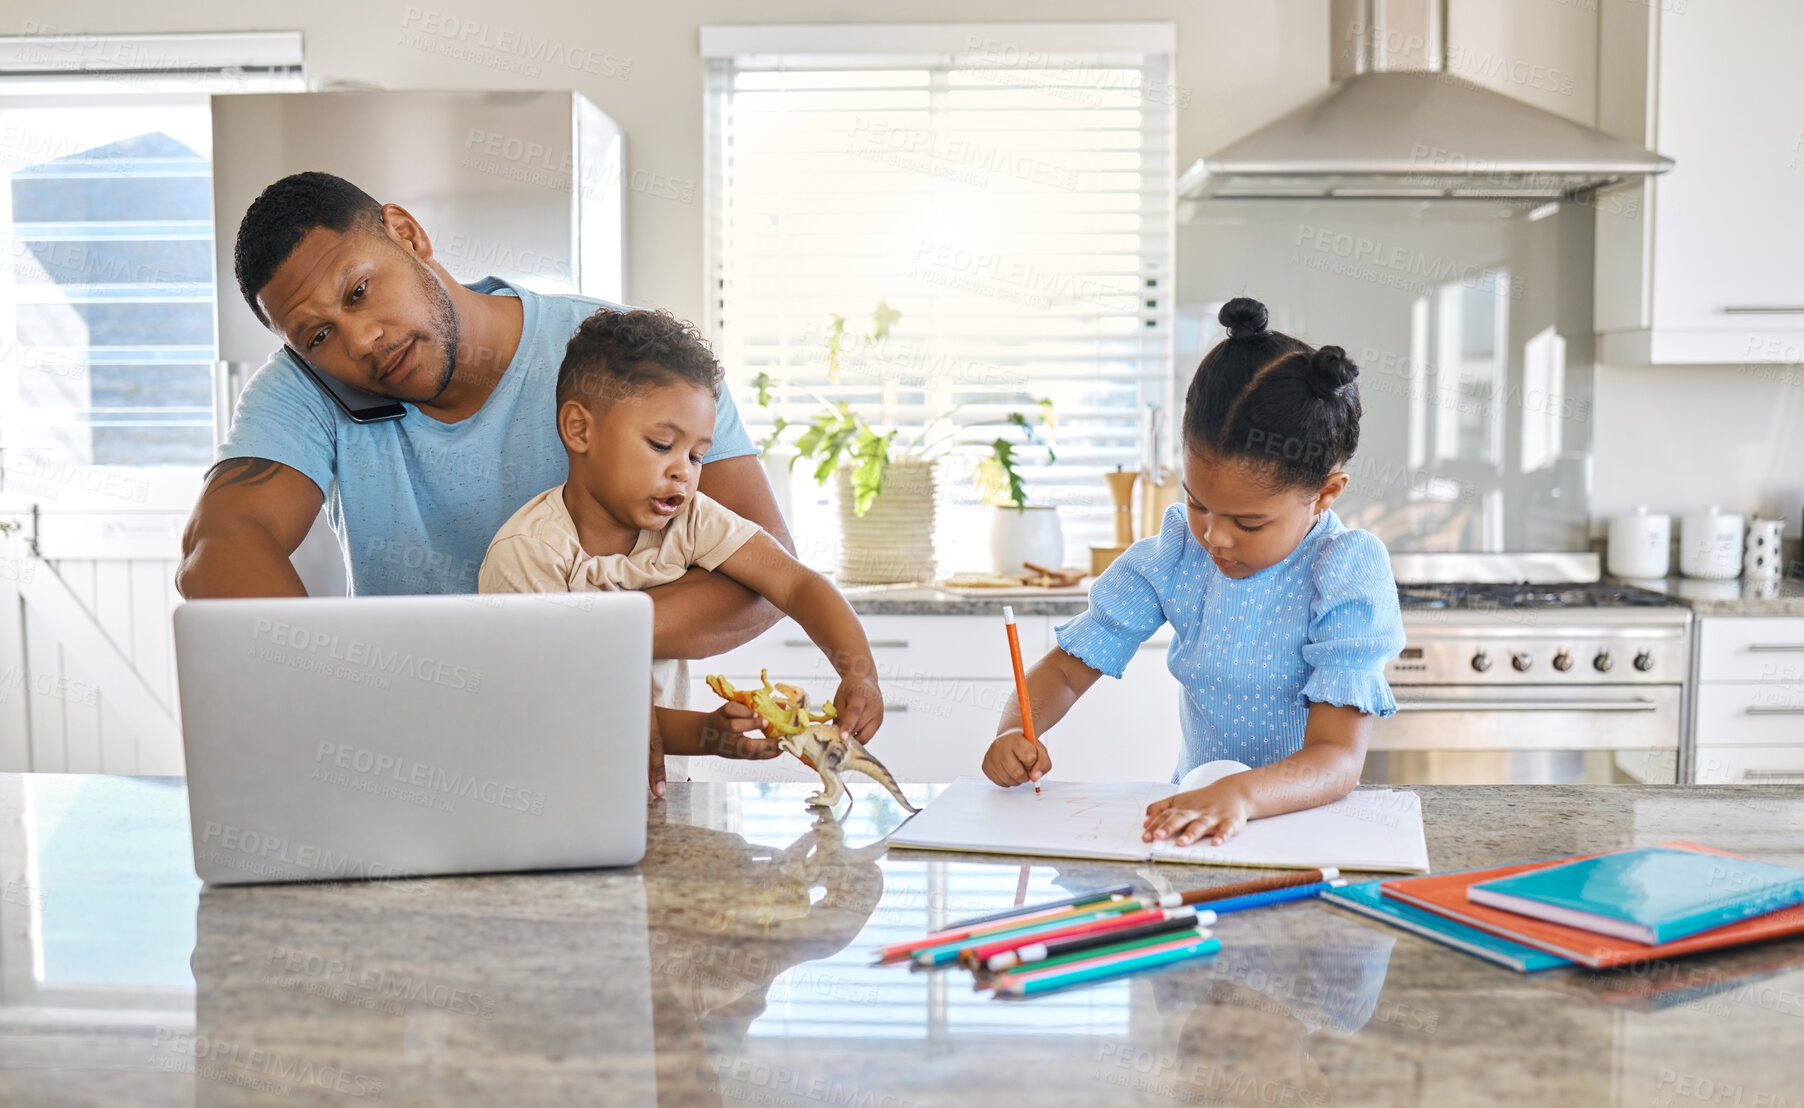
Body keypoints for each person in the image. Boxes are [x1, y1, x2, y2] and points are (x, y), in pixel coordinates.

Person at [176, 171, 792, 793]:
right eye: (318, 335)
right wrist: (342, 697)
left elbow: (768, 578)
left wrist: (566, 641)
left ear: (407, 234)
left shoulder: (628, 362)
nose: (360, 341)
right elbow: (217, 547)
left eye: (359, 291)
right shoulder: (306, 388)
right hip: (421, 778)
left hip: (615, 775)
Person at [981, 297, 1406, 846]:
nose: (1215, 537)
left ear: (1324, 494)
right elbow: (1064, 671)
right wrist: (1014, 729)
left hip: (1305, 827)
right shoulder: (1178, 553)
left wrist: (1242, 794)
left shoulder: (1345, 571)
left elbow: (1336, 758)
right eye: (1199, 504)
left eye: (1249, 523)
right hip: (1199, 821)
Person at [479, 307, 883, 756]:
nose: (683, 473)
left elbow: (796, 582)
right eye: (661, 445)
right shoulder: (528, 552)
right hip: (549, 787)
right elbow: (556, 699)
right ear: (579, 429)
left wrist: (859, 672)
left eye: (696, 455)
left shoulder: (689, 519)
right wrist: (704, 734)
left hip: (658, 788)